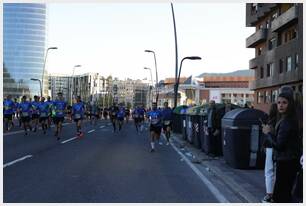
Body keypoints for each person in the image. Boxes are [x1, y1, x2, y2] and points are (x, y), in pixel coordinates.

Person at [262, 91, 301, 203]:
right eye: (279, 102)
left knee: (281, 195)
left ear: (290, 104)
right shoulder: (288, 119)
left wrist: (268, 133)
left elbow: (279, 145)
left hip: (286, 162)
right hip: (289, 161)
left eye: (284, 102)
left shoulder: (287, 121)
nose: (281, 105)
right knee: (285, 193)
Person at [261, 103, 278, 203]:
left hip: (271, 148)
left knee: (269, 171)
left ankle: (269, 194)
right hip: (276, 148)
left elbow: (269, 136)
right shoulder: (281, 120)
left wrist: (266, 130)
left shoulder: (271, 121)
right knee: (275, 171)